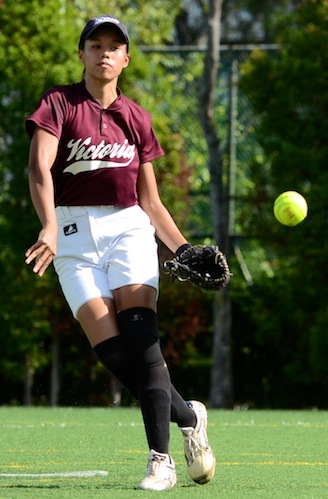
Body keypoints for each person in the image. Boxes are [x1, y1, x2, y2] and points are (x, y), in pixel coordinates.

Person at [23, 15, 216, 491]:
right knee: (112, 354)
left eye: (114, 46)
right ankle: (189, 416)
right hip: (71, 236)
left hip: (128, 230)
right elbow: (38, 168)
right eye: (96, 44)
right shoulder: (59, 103)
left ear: (126, 59)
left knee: (143, 343)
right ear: (82, 54)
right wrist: (48, 225)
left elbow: (150, 201)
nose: (104, 52)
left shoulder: (137, 118)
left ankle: (161, 461)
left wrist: (183, 248)